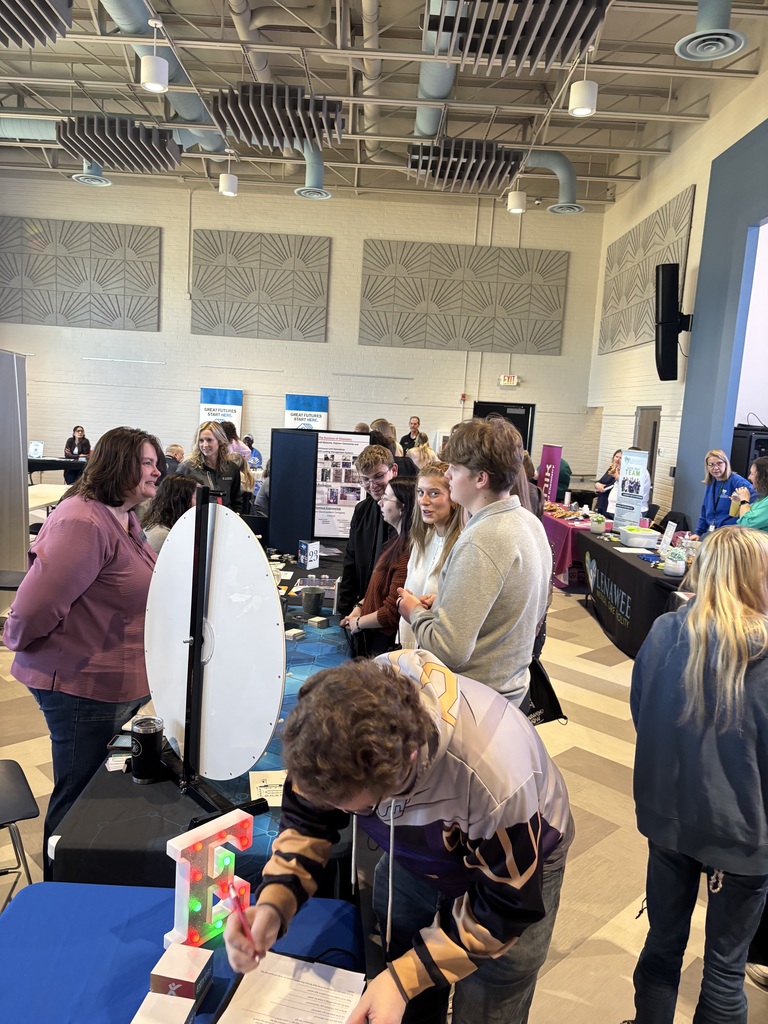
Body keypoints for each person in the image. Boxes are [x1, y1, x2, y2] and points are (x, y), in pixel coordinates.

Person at [224, 651, 574, 1024]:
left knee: (491, 995)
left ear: (401, 771)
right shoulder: (333, 730)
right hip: (423, 847)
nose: (338, 813)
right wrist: (274, 905)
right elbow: (307, 820)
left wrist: (404, 979)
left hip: (520, 859)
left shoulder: (496, 778)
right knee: (406, 979)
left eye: (356, 809)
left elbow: (505, 908)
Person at [623, 526, 768, 1024]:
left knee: (662, 946)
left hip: (668, 818)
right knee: (725, 971)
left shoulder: (665, 631)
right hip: (743, 832)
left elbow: (642, 714)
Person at [4, 426, 162, 876]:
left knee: (94, 792)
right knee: (77, 798)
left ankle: (84, 878)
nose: (157, 472)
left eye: (157, 464)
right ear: (118, 464)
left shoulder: (123, 517)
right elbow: (35, 606)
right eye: (147, 463)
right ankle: (60, 890)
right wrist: (15, 639)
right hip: (79, 686)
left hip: (108, 684)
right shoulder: (83, 521)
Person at [398, 417, 551, 706]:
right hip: (511, 689)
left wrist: (414, 612)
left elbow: (449, 650)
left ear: (480, 479)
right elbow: (509, 609)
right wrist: (445, 604)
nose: (449, 475)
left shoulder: (479, 540)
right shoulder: (529, 522)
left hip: (476, 699)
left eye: (455, 469)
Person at [340, 477, 416, 657]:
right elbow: (378, 590)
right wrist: (360, 605)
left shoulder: (406, 553)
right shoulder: (394, 542)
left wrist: (358, 623)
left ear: (403, 507)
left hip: (382, 645)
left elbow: (391, 612)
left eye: (386, 499)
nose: (380, 503)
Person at [399, 463, 462, 648]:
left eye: (434, 493)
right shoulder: (423, 538)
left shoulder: (462, 545)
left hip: (439, 647)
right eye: (420, 492)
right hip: (413, 643)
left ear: (454, 498)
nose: (424, 501)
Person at [337, 444, 398, 618]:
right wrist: (345, 609)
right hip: (363, 606)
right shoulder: (362, 510)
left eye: (378, 476)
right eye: (365, 479)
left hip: (394, 611)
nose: (372, 485)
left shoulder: (410, 511)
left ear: (394, 470)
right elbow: (351, 561)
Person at [176, 421, 242, 512]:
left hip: (225, 518)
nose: (205, 445)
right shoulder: (187, 467)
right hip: (197, 517)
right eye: (201, 440)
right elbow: (175, 499)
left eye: (209, 440)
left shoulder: (232, 468)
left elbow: (237, 501)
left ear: (220, 441)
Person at [690, 449, 753, 539]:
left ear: (726, 464)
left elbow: (756, 497)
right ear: (707, 467)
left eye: (719, 463)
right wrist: (698, 532)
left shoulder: (737, 481)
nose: (715, 468)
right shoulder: (712, 482)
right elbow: (705, 510)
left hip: (731, 534)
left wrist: (742, 502)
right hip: (715, 532)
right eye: (711, 465)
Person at [139, 473, 198, 553]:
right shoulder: (162, 536)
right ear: (180, 501)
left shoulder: (160, 528)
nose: (203, 504)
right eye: (197, 498)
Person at [606, 450, 651, 518]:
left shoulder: (639, 470)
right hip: (618, 508)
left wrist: (617, 476)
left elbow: (631, 488)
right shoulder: (627, 469)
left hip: (632, 509)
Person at [730, 456, 768, 533]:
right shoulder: (763, 498)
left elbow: (746, 524)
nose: (749, 477)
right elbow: (745, 515)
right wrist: (740, 501)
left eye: (752, 474)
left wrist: (744, 501)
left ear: (762, 477)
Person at [594, 449, 621, 515]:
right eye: (616, 457)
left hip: (609, 503)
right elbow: (600, 481)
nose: (617, 459)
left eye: (620, 458)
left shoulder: (621, 473)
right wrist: (597, 484)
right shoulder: (611, 469)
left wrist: (602, 488)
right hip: (601, 500)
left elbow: (612, 485)